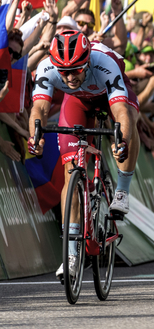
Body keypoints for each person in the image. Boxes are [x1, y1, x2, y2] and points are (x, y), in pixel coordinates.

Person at [27, 30, 140, 280]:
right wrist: (35, 137)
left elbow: (120, 111)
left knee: (130, 122)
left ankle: (121, 190)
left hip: (109, 98)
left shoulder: (105, 64)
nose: (69, 77)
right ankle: (71, 256)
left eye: (76, 70)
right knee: (71, 175)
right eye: (64, 72)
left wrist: (120, 139)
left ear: (87, 60)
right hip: (78, 102)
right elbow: (39, 109)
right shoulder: (48, 68)